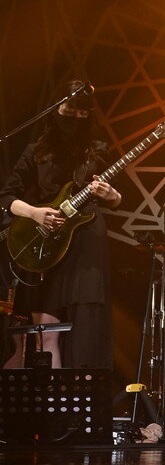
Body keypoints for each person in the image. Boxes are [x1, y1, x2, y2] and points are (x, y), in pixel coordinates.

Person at [0, 80, 121, 369]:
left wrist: (112, 195)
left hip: (86, 241)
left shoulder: (99, 150)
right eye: (69, 111)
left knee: (86, 326)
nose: (76, 118)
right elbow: (6, 197)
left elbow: (119, 198)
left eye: (83, 113)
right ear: (55, 109)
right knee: (46, 333)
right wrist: (34, 213)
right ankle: (51, 395)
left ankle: (85, 392)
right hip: (46, 241)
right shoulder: (36, 151)